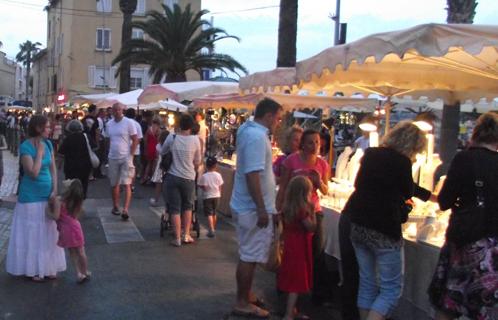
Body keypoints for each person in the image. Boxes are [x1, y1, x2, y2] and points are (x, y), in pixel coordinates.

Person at [343, 121, 432, 320]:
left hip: (358, 222)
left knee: (367, 283)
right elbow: (408, 190)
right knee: (391, 290)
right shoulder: (402, 161)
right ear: (412, 145)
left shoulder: (372, 154)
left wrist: (427, 195)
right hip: (383, 228)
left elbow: (359, 183)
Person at [428, 112, 498, 320]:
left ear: (476, 133)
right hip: (492, 249)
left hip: (463, 242)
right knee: (485, 306)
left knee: (450, 301)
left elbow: (444, 202)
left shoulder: (463, 159)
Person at [230, 98, 283, 318]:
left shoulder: (248, 130)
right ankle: (242, 301)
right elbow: (252, 175)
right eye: (278, 118)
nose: (278, 123)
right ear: (269, 116)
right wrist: (262, 208)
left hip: (247, 205)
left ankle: (246, 294)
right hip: (251, 209)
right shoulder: (256, 137)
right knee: (249, 256)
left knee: (248, 254)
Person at [6, 115, 66, 281]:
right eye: (47, 127)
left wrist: (54, 189)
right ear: (38, 128)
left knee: (48, 232)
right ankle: (33, 269)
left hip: (47, 194)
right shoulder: (26, 146)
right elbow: (32, 173)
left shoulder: (48, 144)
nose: (50, 129)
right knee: (33, 234)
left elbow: (54, 169)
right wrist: (39, 154)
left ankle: (48, 267)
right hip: (30, 197)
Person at [276, 129, 331, 305]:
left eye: (317, 142)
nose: (315, 146)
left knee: (317, 250)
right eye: (310, 142)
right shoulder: (291, 161)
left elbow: (325, 190)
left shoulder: (322, 164)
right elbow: (283, 186)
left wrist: (319, 182)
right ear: (303, 144)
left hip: (313, 209)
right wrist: (278, 209)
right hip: (292, 210)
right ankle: (285, 288)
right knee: (290, 250)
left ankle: (316, 292)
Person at [278, 176, 317, 320]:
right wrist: (313, 214)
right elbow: (311, 227)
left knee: (290, 277)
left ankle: (291, 309)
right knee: (297, 280)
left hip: (289, 243)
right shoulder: (303, 210)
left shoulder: (287, 208)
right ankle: (288, 314)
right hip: (299, 246)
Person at [161, 113, 201, 247]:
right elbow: (198, 161)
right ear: (191, 126)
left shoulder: (172, 137)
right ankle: (186, 235)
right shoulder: (196, 140)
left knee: (174, 208)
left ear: (179, 125)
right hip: (189, 178)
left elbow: (162, 151)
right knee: (188, 207)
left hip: (172, 176)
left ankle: (177, 238)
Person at [46, 179, 90, 284]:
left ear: (68, 188)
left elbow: (56, 217)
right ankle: (85, 271)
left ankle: (78, 273)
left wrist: (48, 211)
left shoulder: (58, 200)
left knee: (72, 252)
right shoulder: (75, 201)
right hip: (75, 227)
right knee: (81, 251)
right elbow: (77, 215)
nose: (67, 180)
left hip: (64, 230)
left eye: (69, 181)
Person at [105, 103, 138, 220]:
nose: (117, 112)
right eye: (115, 110)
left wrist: (131, 155)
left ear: (122, 110)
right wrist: (108, 153)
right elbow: (108, 139)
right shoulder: (109, 124)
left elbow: (135, 139)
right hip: (113, 157)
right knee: (114, 184)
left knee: (127, 183)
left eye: (119, 110)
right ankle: (115, 206)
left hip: (125, 157)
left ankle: (125, 209)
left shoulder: (129, 122)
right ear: (112, 111)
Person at [58, 120, 93, 198]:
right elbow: (94, 148)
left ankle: (72, 201)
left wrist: (59, 165)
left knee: (70, 185)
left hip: (71, 167)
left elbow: (61, 154)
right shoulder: (86, 137)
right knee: (83, 184)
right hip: (85, 166)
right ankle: (81, 201)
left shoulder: (68, 139)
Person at [198, 156, 224, 238]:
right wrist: (219, 193)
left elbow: (203, 186)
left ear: (206, 165)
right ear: (216, 165)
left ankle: (211, 229)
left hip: (208, 196)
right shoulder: (218, 175)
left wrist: (202, 188)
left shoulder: (204, 176)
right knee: (214, 213)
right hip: (217, 195)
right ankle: (213, 228)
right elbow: (220, 186)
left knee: (209, 213)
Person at [124, 108, 143, 191]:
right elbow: (140, 138)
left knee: (124, 168)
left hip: (124, 149)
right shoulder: (137, 124)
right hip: (136, 150)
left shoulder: (123, 123)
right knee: (133, 168)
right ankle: (131, 185)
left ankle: (124, 184)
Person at [149, 130, 169, 207]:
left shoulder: (158, 146)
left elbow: (157, 157)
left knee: (159, 184)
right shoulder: (170, 146)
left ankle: (156, 199)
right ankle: (168, 201)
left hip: (160, 165)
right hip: (168, 165)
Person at [142, 118, 160, 184]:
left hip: (149, 147)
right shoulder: (158, 130)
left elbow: (145, 140)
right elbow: (159, 141)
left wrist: (145, 148)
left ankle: (145, 178)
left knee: (148, 164)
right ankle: (152, 179)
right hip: (155, 148)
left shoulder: (149, 129)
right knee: (154, 165)